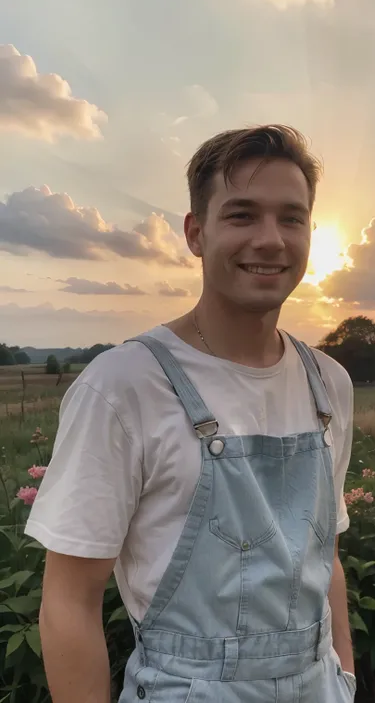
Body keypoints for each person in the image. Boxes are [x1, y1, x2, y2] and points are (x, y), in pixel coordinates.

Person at [25, 124, 356, 702]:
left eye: (292, 217)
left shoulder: (328, 384)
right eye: (242, 215)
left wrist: (344, 681)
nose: (271, 239)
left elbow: (324, 559)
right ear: (195, 233)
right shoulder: (125, 385)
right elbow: (68, 604)